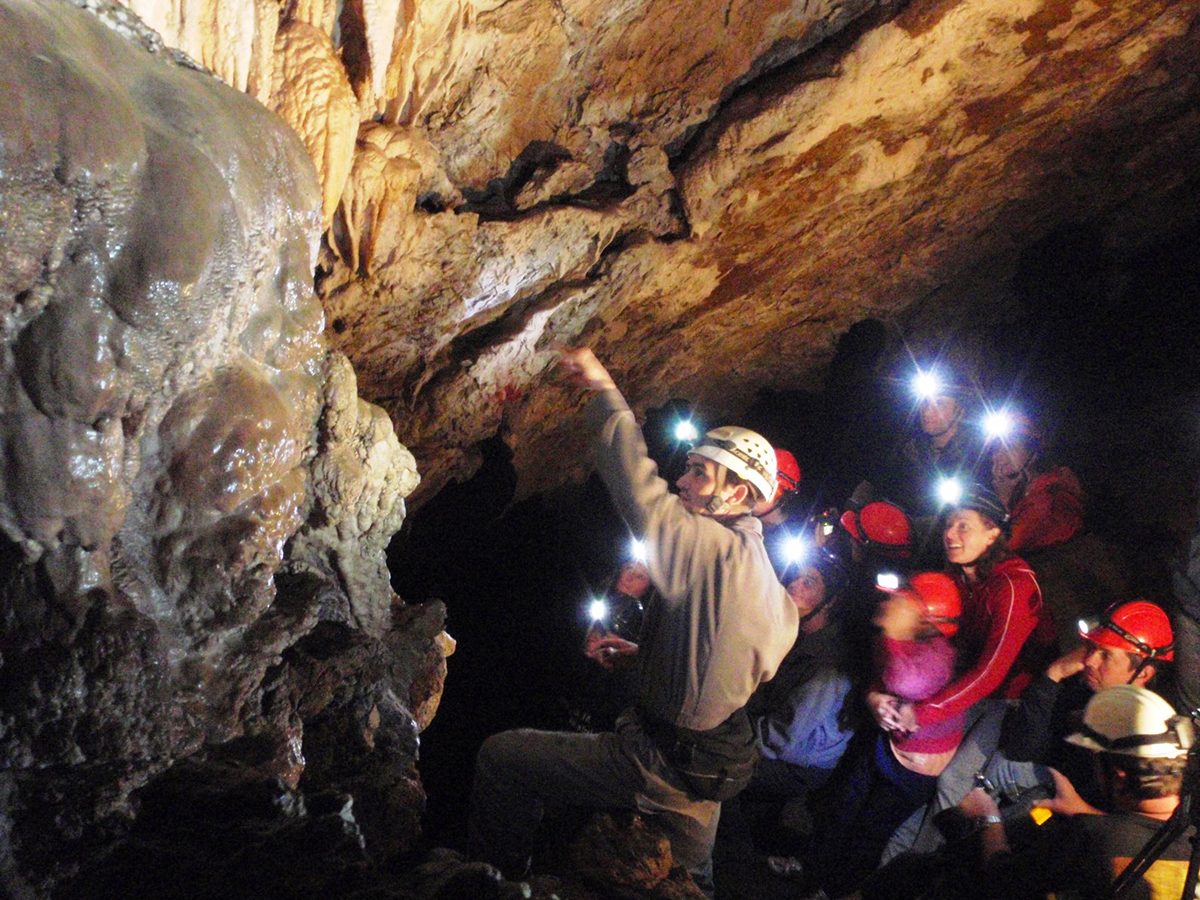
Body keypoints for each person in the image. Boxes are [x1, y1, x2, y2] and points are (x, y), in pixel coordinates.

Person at [469, 348, 798, 889]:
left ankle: (498, 879)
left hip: (653, 760)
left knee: (503, 758)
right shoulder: (765, 578)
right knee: (691, 879)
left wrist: (603, 391)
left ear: (736, 493)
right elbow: (740, 663)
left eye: (698, 473)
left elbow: (637, 490)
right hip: (707, 767)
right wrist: (648, 662)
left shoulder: (710, 547)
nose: (683, 482)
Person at [798, 572, 965, 898]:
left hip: (912, 771)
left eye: (900, 599)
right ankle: (811, 873)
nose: (888, 601)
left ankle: (834, 891)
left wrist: (890, 632)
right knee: (842, 806)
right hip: (890, 745)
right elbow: (881, 677)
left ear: (924, 620)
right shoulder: (900, 637)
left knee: (869, 833)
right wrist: (873, 694)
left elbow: (902, 681)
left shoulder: (937, 658)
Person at [961, 685, 1196, 899]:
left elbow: (1003, 880)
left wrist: (988, 818)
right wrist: (1084, 812)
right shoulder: (1192, 841)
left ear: (1117, 774)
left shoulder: (1090, 838)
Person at [868, 483, 1057, 740]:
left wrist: (922, 713)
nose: (949, 534)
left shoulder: (1015, 588)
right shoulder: (955, 577)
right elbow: (913, 635)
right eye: (948, 524)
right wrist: (875, 694)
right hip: (964, 678)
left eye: (963, 526)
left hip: (1011, 696)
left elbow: (990, 672)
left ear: (992, 533)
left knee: (951, 780)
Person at [1000, 599, 1175, 809]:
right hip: (1052, 783)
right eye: (1092, 648)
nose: (1089, 661)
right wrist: (1054, 674)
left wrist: (1080, 812)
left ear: (1144, 673)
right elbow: (1023, 750)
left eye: (1106, 655)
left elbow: (1133, 826)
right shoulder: (1085, 689)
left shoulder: (1148, 737)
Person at [987, 412, 1084, 555]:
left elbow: (1003, 548)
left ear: (1033, 451)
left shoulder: (1050, 495)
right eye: (996, 449)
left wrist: (1003, 503)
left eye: (1011, 447)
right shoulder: (1022, 490)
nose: (1000, 456)